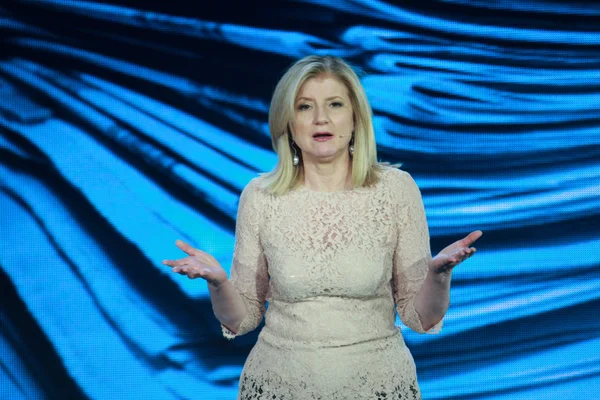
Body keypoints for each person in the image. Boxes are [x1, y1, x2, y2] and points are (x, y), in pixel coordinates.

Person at [162, 55, 482, 399]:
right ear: (287, 121)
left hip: (378, 385)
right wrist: (219, 283)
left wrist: (438, 276)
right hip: (278, 386)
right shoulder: (260, 196)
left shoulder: (396, 190)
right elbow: (241, 320)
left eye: (335, 104)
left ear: (355, 117)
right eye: (304, 107)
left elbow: (420, 317)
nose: (321, 119)